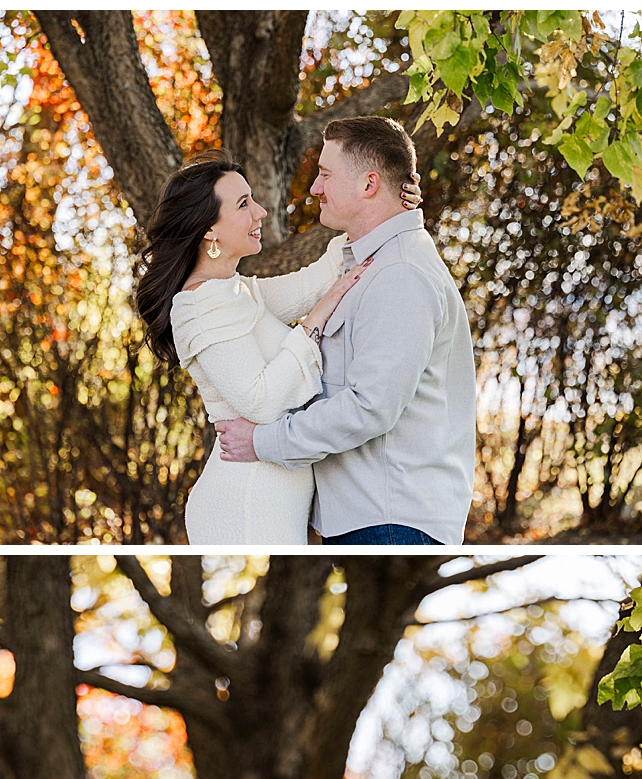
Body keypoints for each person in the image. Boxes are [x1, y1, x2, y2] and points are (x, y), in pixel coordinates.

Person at [212, 116, 477, 546]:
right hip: (372, 518)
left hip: (391, 521)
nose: (315, 188)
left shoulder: (400, 274)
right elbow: (256, 301)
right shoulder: (367, 259)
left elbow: (369, 407)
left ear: (369, 184)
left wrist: (262, 441)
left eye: (326, 174)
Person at [134, 155, 421, 543]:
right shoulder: (200, 304)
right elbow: (261, 402)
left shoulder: (235, 291)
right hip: (246, 502)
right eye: (243, 204)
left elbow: (316, 281)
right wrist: (313, 323)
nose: (261, 211)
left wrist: (383, 210)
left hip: (270, 498)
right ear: (209, 230)